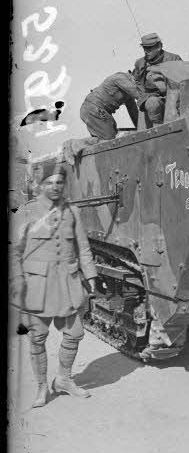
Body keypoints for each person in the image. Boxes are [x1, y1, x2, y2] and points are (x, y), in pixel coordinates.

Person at [10, 162, 98, 408]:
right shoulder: (27, 212)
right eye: (50, 182)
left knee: (75, 333)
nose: (55, 187)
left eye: (59, 182)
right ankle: (41, 387)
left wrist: (90, 275)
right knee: (37, 338)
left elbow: (83, 247)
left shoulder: (73, 212)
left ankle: (64, 380)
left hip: (67, 285)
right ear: (40, 185)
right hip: (35, 286)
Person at [130, 33, 182, 127]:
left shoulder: (173, 58)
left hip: (173, 94)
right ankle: (157, 127)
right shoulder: (140, 63)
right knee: (152, 103)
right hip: (152, 96)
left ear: (159, 47)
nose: (146, 51)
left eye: (149, 48)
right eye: (144, 48)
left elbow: (181, 81)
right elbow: (136, 80)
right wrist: (143, 95)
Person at [79, 72, 147, 141]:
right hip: (94, 109)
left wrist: (141, 130)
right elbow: (143, 98)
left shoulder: (128, 92)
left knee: (107, 138)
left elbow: (134, 112)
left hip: (96, 110)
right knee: (109, 141)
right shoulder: (121, 79)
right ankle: (73, 145)